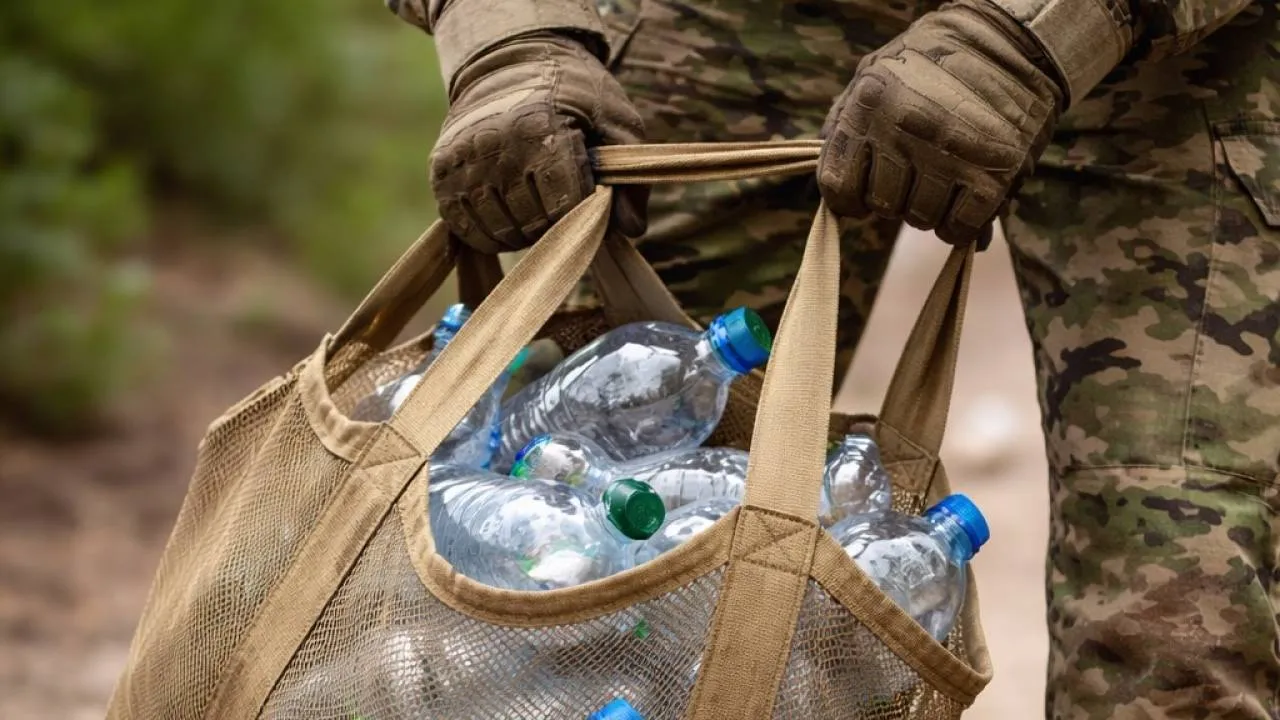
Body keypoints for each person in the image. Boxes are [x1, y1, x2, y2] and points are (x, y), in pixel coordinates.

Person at [385, 0, 1280, 715]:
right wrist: (505, 34)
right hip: (753, 23)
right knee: (577, 594)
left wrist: (1041, 29)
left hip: (1169, 64)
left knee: (1177, 623)